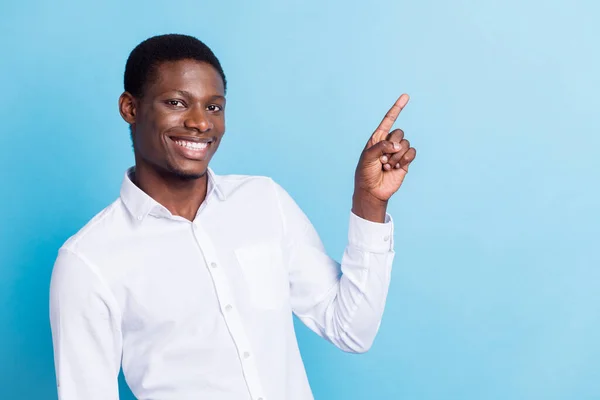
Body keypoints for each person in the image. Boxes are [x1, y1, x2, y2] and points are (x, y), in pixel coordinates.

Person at [49, 33, 416, 400]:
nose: (200, 123)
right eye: (177, 102)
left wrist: (369, 202)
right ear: (130, 108)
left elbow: (351, 330)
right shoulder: (89, 260)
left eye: (214, 107)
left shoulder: (264, 202)